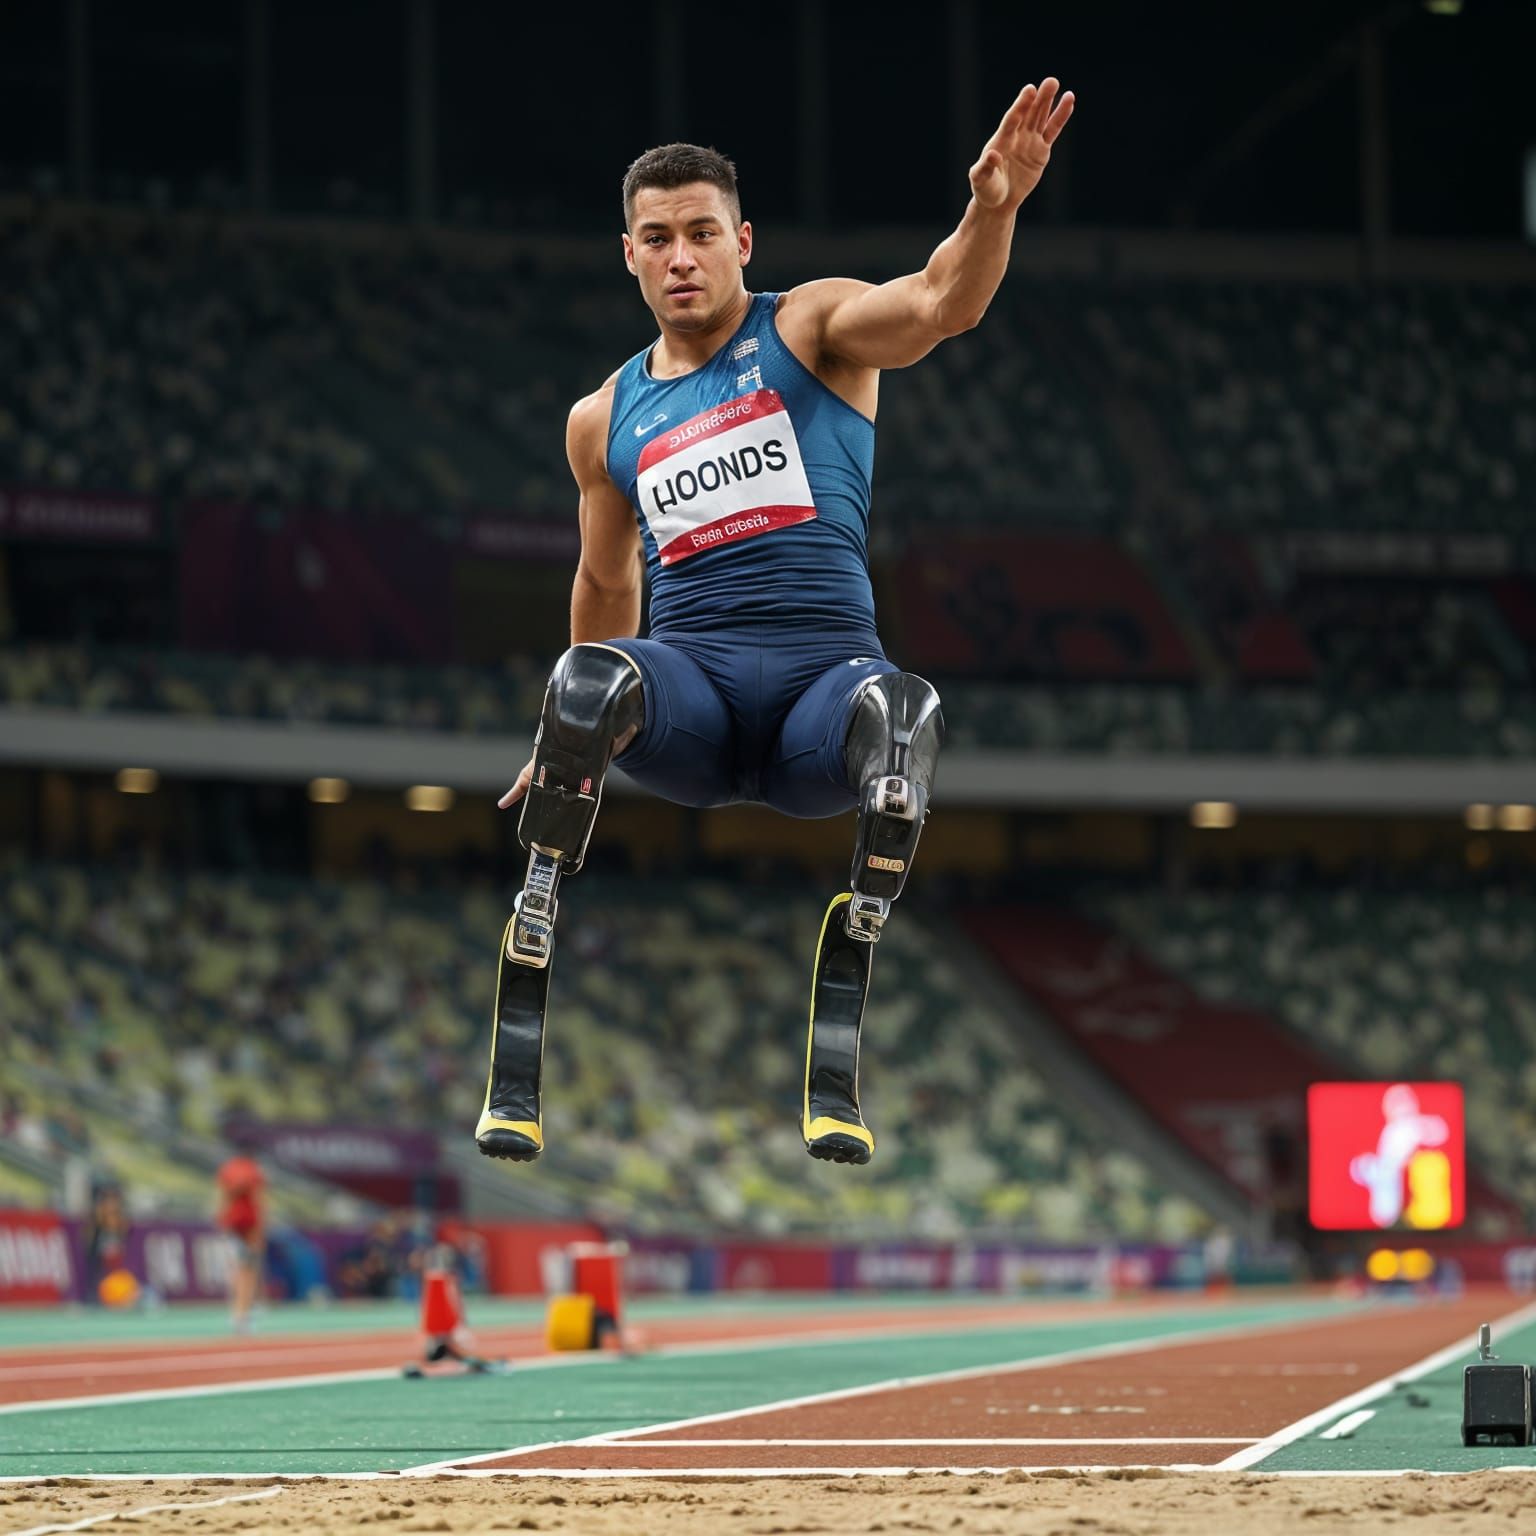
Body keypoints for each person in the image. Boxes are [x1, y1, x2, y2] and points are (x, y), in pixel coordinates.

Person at [477, 79, 1075, 1167]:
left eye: (702, 233)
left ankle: (850, 973)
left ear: (741, 240)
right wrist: (566, 734)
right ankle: (531, 947)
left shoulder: (812, 328)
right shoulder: (601, 419)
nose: (681, 258)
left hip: (819, 702)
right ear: (629, 254)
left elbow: (946, 302)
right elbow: (605, 592)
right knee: (580, 679)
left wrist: (996, 206)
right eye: (657, 238)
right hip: (693, 706)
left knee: (907, 713)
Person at [215, 1149, 266, 1331]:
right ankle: (242, 1312)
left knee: (238, 1268)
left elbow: (223, 1196)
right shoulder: (253, 1170)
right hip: (248, 1224)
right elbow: (258, 1199)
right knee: (248, 1269)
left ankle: (240, 1309)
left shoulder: (228, 1169)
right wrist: (260, 1228)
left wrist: (221, 1219)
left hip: (231, 1223)